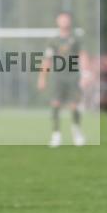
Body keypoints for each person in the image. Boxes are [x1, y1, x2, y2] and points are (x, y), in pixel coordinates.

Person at [37, 11, 86, 147]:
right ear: (57, 21)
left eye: (66, 19)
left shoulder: (76, 39)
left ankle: (76, 131)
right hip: (57, 77)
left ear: (70, 21)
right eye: (61, 19)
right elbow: (47, 60)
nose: (64, 21)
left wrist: (86, 74)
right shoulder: (53, 41)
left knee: (74, 104)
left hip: (73, 76)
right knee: (55, 104)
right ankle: (56, 134)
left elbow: (83, 55)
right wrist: (42, 78)